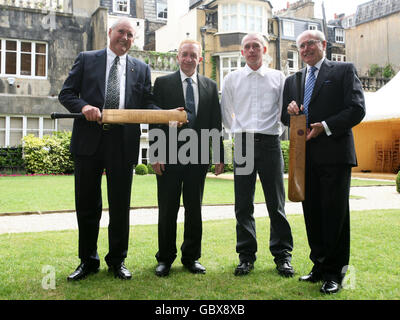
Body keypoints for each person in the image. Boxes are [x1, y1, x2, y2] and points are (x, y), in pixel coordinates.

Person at [59, 18, 156, 281]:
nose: (125, 38)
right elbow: (66, 94)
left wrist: (171, 115)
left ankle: (117, 261)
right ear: (110, 33)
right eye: (121, 32)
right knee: (87, 205)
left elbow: (147, 104)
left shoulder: (141, 68)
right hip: (89, 142)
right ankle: (88, 261)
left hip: (122, 144)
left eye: (131, 35)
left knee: (120, 205)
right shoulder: (87, 58)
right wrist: (84, 107)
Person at [281, 30, 365, 294]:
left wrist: (326, 126)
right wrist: (291, 111)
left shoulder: (342, 71)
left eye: (310, 43)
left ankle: (335, 274)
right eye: (301, 45)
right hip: (303, 159)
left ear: (323, 45)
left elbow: (357, 108)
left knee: (335, 215)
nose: (305, 48)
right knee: (313, 214)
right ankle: (318, 267)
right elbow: (286, 118)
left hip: (335, 156)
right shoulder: (293, 80)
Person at [221, 33, 294, 277]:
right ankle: (246, 257)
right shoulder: (231, 78)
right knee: (243, 204)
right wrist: (239, 134)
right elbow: (226, 112)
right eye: (247, 47)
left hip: (270, 143)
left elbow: (284, 113)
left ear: (264, 49)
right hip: (243, 144)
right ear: (242, 52)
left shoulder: (278, 77)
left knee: (276, 203)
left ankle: (283, 256)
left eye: (256, 46)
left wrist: (271, 132)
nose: (251, 50)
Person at [150, 39, 224, 277]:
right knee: (167, 209)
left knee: (194, 209)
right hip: (169, 155)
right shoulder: (162, 84)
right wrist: (156, 154)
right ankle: (165, 259)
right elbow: (155, 122)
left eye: (194, 55)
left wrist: (219, 155)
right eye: (185, 54)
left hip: (199, 156)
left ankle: (191, 257)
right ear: (177, 57)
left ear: (200, 59)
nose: (189, 59)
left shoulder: (210, 86)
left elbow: (215, 123)